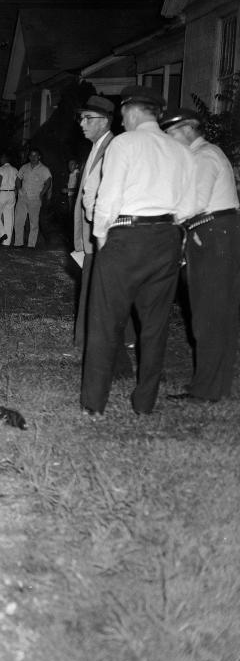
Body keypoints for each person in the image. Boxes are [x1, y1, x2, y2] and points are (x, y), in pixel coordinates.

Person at [80, 85, 197, 416]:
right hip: (166, 237)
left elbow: (109, 195)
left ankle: (94, 404)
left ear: (130, 111)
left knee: (105, 322)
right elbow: (190, 206)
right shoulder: (181, 151)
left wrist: (102, 236)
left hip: (126, 237)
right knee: (155, 326)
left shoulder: (124, 143)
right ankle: (145, 402)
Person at [161, 108, 240, 403]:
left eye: (170, 134)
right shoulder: (207, 153)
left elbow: (193, 204)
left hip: (211, 234)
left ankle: (206, 390)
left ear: (186, 130)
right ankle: (213, 386)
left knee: (208, 314)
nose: (169, 140)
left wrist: (160, 220)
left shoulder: (203, 157)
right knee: (218, 315)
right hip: (217, 232)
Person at [72, 95, 116, 352]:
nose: (82, 123)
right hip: (92, 233)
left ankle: (93, 342)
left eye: (88, 118)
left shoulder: (111, 148)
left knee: (98, 289)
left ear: (105, 121)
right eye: (81, 117)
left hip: (102, 233)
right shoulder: (96, 147)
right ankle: (85, 341)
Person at [13, 149, 52, 248]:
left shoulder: (44, 169)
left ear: (39, 157)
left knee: (33, 222)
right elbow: (18, 179)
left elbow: (48, 182)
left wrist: (41, 194)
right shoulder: (24, 167)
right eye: (31, 155)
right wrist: (19, 189)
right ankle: (18, 243)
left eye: (36, 156)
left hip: (35, 198)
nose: (33, 157)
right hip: (23, 197)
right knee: (18, 221)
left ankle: (31, 245)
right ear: (29, 157)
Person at [0, 153, 17, 246]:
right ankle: (7, 242)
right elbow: (17, 182)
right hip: (12, 193)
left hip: (2, 193)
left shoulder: (1, 169)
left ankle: (2, 234)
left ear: (5, 158)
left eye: (1, 157)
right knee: (9, 218)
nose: (0, 160)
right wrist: (15, 193)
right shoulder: (15, 169)